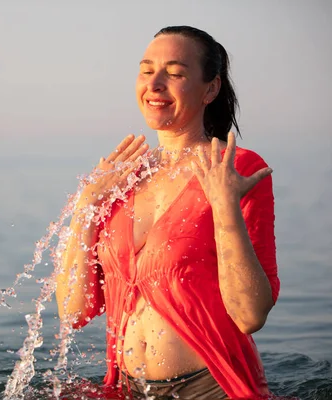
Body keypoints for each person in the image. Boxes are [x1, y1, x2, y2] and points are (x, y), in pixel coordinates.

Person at [55, 25, 280, 399]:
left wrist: (225, 206)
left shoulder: (235, 168)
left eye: (175, 74)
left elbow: (250, 315)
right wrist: (85, 206)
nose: (155, 84)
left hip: (213, 387)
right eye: (146, 70)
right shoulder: (122, 176)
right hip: (125, 389)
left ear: (211, 89)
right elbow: (73, 314)